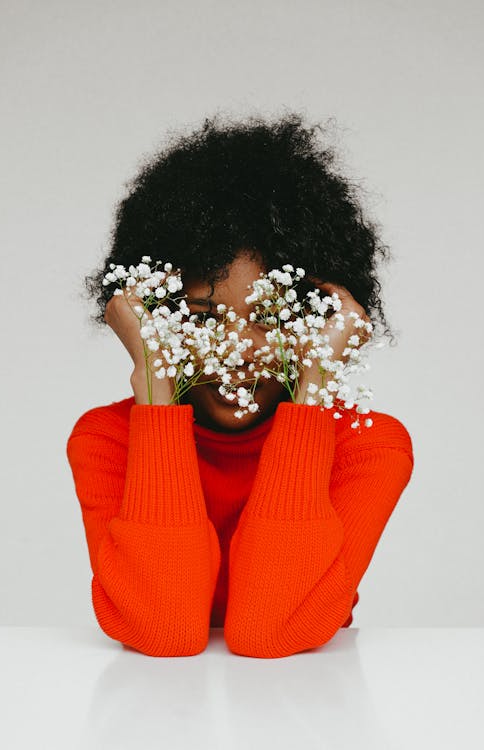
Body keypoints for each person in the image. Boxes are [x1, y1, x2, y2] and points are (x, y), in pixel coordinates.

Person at [66, 112, 415, 658]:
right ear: (156, 316)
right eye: (204, 319)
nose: (240, 350)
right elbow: (166, 628)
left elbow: (270, 631)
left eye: (271, 318)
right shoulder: (108, 440)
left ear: (317, 318)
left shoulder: (368, 447)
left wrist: (314, 385)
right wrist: (155, 387)